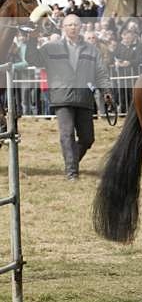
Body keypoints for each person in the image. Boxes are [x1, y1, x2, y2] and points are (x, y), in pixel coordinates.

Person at [26, 14, 113, 180]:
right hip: (62, 97)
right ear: (63, 28)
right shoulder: (51, 48)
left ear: (80, 27)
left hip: (84, 97)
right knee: (67, 134)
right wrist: (32, 39)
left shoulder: (92, 50)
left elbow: (101, 73)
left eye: (75, 25)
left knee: (87, 138)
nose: (73, 27)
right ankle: (71, 172)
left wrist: (107, 91)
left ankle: (72, 163)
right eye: (69, 25)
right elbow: (32, 59)